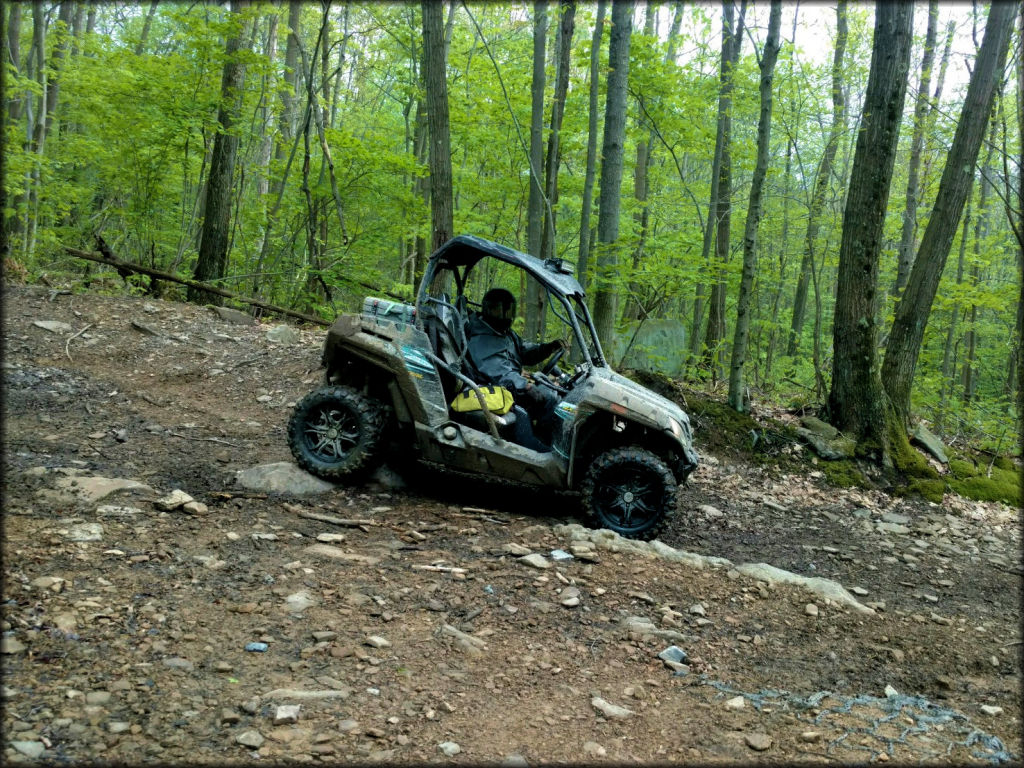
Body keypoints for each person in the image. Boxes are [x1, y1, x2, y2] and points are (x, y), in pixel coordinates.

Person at [466, 288, 568, 450]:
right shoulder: (482, 338)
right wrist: (525, 386)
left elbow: (524, 351)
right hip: (496, 389)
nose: (505, 316)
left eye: (508, 311)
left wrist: (547, 348)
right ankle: (549, 448)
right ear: (488, 309)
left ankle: (549, 441)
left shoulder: (502, 332)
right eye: (499, 311)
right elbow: (497, 371)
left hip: (510, 384)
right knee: (550, 399)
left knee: (555, 392)